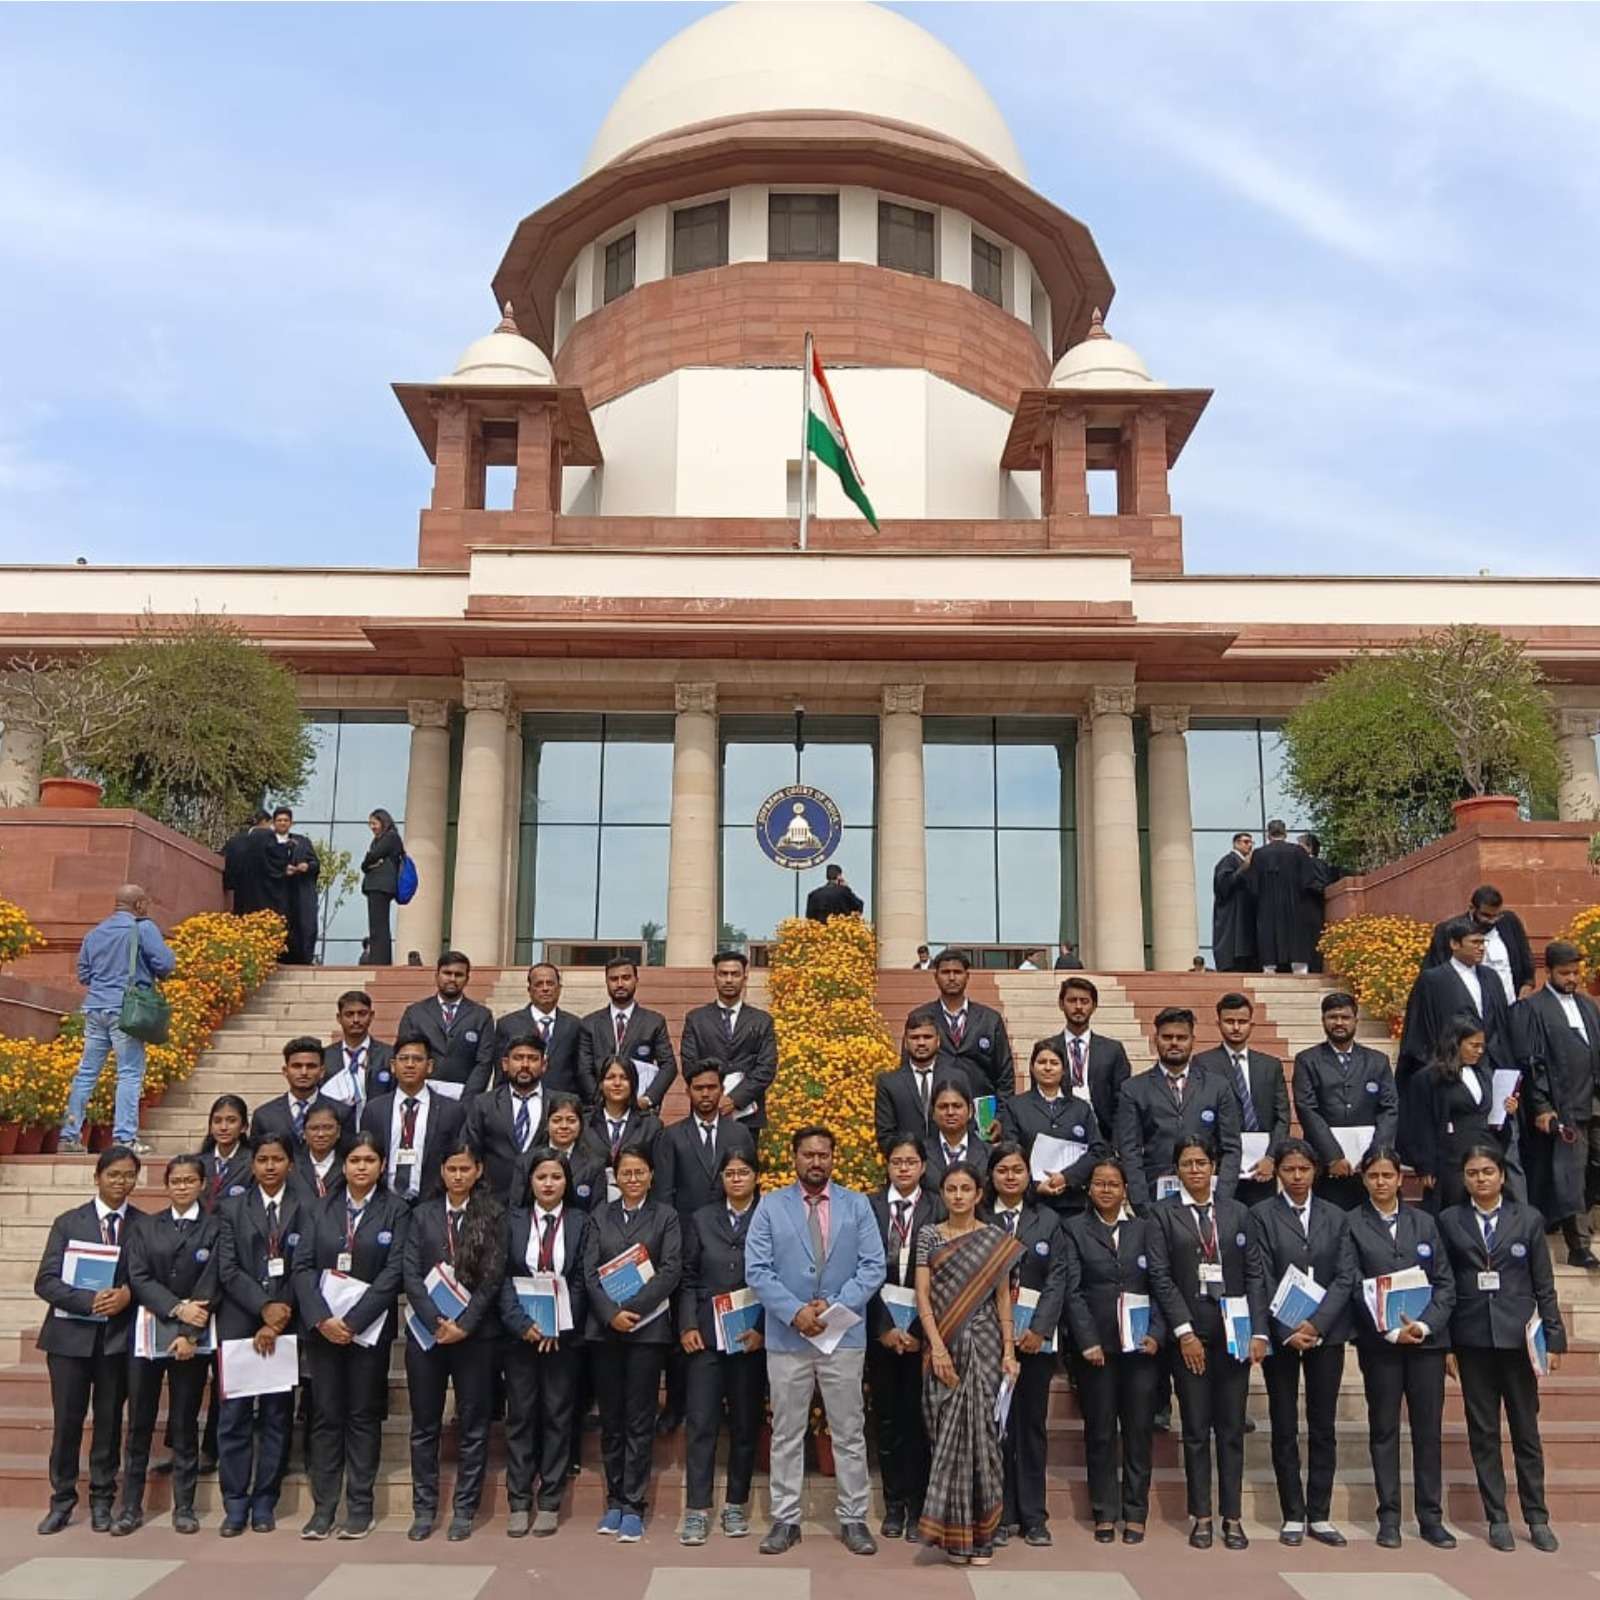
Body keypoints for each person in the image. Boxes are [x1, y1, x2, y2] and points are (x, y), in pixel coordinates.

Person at [745, 1125, 885, 1557]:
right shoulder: (770, 1206)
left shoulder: (857, 1205)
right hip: (788, 1338)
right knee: (787, 1432)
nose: (816, 1162)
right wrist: (795, 1312)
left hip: (842, 1336)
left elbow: (873, 1266)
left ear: (833, 1158)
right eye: (808, 1154)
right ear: (794, 1158)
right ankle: (785, 1519)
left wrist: (834, 1306)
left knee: (849, 1431)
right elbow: (757, 1269)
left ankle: (854, 1518)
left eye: (823, 1154)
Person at [1439, 1143, 1565, 1553]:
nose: (1481, 1179)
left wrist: (1554, 1337)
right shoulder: (1450, 1221)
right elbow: (1444, 1284)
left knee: (1526, 1431)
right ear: (1464, 1179)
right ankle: (1497, 1517)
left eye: (1487, 1171)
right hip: (1472, 1338)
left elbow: (1544, 1283)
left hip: (1518, 1339)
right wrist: (1446, 1344)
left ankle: (1537, 1517)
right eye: (1473, 1173)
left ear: (1502, 1175)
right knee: (1484, 1432)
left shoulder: (1527, 1219)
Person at [1146, 1134, 1269, 1551]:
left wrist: (1258, 1331)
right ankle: (1201, 1516)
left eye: (1201, 1163)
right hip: (1190, 1334)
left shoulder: (1237, 1213)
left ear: (1213, 1167)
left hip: (1233, 1334)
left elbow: (1254, 1273)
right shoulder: (1162, 1214)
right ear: (1176, 1169)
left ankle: (1232, 1517)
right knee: (1197, 1429)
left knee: (1231, 1429)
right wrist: (1183, 1332)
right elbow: (1160, 1277)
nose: (1195, 1170)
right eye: (1187, 1163)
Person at [291, 1130, 410, 1541]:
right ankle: (323, 1509)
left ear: (382, 1166)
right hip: (324, 1331)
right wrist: (323, 1319)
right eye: (355, 1160)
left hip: (368, 1332)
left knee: (362, 1416)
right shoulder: (318, 1208)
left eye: (369, 1160)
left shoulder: (396, 1210)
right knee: (326, 1417)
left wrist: (355, 1321)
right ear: (344, 1165)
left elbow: (395, 1270)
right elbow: (302, 1267)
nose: (362, 1167)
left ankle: (360, 1507)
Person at [1340, 1145, 1457, 1550]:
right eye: (1373, 1176)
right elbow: (1353, 1283)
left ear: (1400, 1179)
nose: (1381, 1182)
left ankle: (1430, 1517)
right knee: (1384, 1429)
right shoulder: (1351, 1223)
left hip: (1426, 1343)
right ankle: (1388, 1516)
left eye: (1388, 1175)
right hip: (1381, 1344)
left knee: (1427, 1431)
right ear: (1364, 1179)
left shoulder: (1425, 1223)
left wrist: (1423, 1326)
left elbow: (1445, 1283)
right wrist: (1389, 1330)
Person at [913, 1159, 1021, 1565]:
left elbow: (1002, 1300)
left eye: (965, 1189)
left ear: (978, 1195)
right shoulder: (929, 1235)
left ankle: (984, 1536)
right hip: (942, 1344)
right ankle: (955, 1538)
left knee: (985, 1440)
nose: (958, 1196)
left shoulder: (994, 1239)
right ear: (943, 1194)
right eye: (951, 1189)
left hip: (987, 1345)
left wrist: (1009, 1351)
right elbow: (923, 1295)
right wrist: (937, 1347)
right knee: (946, 1437)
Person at [1250, 1138, 1355, 1547]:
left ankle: (1320, 1514)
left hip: (1325, 1333)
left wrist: (1316, 1324)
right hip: (1282, 1334)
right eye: (1289, 1169)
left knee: (1322, 1424)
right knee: (1284, 1424)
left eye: (1304, 1169)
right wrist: (1287, 1327)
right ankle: (1293, 1513)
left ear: (1316, 1171)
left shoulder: (1336, 1216)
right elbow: (1260, 1275)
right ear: (1277, 1172)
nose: (1296, 1177)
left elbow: (1345, 1275)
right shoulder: (1262, 1215)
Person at [34, 1145, 142, 1535]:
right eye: (113, 1174)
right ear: (97, 1177)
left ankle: (102, 1500)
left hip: (116, 1341)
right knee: (67, 1422)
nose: (120, 1182)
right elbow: (45, 1281)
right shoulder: (68, 1223)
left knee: (109, 1422)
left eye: (128, 1175)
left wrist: (128, 1295)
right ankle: (62, 1500)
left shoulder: (144, 1225)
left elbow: (151, 1278)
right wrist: (88, 1301)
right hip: (69, 1341)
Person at [402, 1140, 505, 1542]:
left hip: (474, 1336)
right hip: (427, 1334)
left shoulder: (493, 1213)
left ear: (478, 1171)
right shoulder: (422, 1214)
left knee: (473, 1425)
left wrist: (464, 1324)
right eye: (452, 1169)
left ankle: (464, 1509)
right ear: (442, 1171)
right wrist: (435, 1320)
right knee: (424, 1425)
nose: (458, 1176)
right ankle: (424, 1509)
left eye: (465, 1169)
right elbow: (411, 1273)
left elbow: (493, 1276)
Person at [1062, 1158, 1164, 1546]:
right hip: (1097, 1349)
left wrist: (1157, 1333)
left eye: (1113, 1184)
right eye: (1099, 1183)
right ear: (1089, 1189)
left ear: (1125, 1190)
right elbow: (1072, 1290)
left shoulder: (1145, 1228)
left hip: (1141, 1349)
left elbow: (1161, 1283)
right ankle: (1104, 1511)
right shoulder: (1074, 1229)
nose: (1106, 1190)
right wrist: (1087, 1340)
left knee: (1138, 1431)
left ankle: (1136, 1513)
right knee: (1101, 1431)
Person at [582, 1144, 681, 1542]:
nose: (633, 1178)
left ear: (651, 1176)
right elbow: (589, 1272)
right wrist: (611, 1314)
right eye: (626, 1172)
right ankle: (614, 1500)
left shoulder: (666, 1216)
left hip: (647, 1331)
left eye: (640, 1172)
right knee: (612, 1420)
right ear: (615, 1177)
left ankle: (634, 1505)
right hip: (605, 1330)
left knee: (639, 1420)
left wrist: (633, 1309)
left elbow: (670, 1269)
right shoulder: (599, 1216)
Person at [116, 1153, 218, 1537]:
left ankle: (185, 1506)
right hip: (150, 1331)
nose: (182, 1187)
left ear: (202, 1184)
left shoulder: (215, 1227)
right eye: (175, 1181)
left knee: (184, 1421)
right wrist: (176, 1308)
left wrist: (189, 1332)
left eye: (189, 1181)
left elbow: (214, 1278)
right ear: (166, 1185)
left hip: (192, 1336)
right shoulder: (146, 1227)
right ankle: (130, 1507)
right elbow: (139, 1276)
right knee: (139, 1421)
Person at [655, 1060, 758, 1433]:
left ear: (721, 1090)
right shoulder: (672, 1136)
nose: (706, 1094)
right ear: (688, 1091)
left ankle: (728, 1403)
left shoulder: (739, 1134)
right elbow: (665, 1194)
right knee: (684, 1327)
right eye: (699, 1088)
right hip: (687, 1240)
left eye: (712, 1087)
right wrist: (671, 1243)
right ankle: (676, 1404)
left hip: (732, 1240)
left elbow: (749, 1183)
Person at [499, 1145, 590, 1538]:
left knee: (557, 1414)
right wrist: (522, 1324)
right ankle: (519, 1500)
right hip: (520, 1336)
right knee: (520, 1416)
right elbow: (501, 1276)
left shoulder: (581, 1222)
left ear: (566, 1181)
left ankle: (550, 1499)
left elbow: (582, 1280)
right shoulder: (512, 1220)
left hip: (562, 1337)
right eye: (541, 1177)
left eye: (556, 1176)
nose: (548, 1184)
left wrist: (558, 1324)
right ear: (530, 1182)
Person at [216, 1133, 303, 1535]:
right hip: (239, 1320)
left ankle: (265, 1501)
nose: (270, 1166)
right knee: (233, 1417)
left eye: (277, 1159)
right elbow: (228, 1268)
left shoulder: (306, 1206)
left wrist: (278, 1316)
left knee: (276, 1416)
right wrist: (262, 1307)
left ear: (290, 1164)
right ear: (252, 1165)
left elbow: (305, 1265)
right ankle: (235, 1503)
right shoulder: (231, 1208)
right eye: (263, 1159)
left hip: (286, 1320)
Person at [677, 1148, 765, 1545]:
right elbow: (688, 1276)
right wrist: (688, 1324)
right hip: (707, 1338)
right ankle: (697, 1510)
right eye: (730, 1173)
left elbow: (778, 1277)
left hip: (750, 1339)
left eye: (743, 1172)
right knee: (701, 1423)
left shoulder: (769, 1216)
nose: (736, 1179)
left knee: (745, 1424)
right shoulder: (701, 1218)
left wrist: (763, 1329)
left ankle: (735, 1505)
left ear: (756, 1176)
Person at [986, 1142, 1066, 1548]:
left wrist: (1039, 1329)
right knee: (996, 1427)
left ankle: (1034, 1516)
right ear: (991, 1175)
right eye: (1002, 1170)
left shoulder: (1048, 1220)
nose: (1010, 1177)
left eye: (1017, 1169)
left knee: (1031, 1428)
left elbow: (1058, 1278)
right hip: (988, 1342)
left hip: (1035, 1343)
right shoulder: (979, 1218)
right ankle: (999, 1514)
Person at [58, 884, 176, 1156]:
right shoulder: (143, 928)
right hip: (126, 1010)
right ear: (139, 905)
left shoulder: (95, 933)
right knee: (129, 1073)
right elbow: (165, 964)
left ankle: (69, 1136)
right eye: (146, 904)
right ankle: (125, 1138)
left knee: (86, 1074)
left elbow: (84, 975)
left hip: (95, 1007)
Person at [867, 1134, 938, 1543]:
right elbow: (858, 1269)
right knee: (888, 1418)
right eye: (897, 1162)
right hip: (881, 1331)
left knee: (920, 1420)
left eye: (911, 1162)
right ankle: (894, 1504)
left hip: (924, 1333)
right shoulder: (869, 1207)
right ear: (887, 1165)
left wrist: (917, 1331)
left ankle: (919, 1505)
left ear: (923, 1167)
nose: (904, 1168)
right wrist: (883, 1328)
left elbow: (947, 1275)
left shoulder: (938, 1207)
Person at [1513, 940, 1600, 1266]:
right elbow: (1531, 1063)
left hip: (1593, 1101)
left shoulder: (1588, 1005)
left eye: (1576, 972)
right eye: (1565, 973)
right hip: (1563, 1105)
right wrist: (1541, 1106)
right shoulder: (1533, 1009)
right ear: (1547, 971)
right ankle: (1579, 1246)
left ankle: (1567, 1217)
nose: (1572, 979)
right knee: (1571, 1175)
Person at [1114, 1007, 1242, 1213]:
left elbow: (1231, 1148)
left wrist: (1222, 1197)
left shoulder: (1218, 1087)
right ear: (1155, 1039)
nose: (1174, 1043)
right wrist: (1141, 1203)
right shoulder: (1133, 1089)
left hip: (1208, 1197)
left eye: (1181, 1038)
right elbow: (1129, 1151)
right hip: (1155, 1199)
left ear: (1193, 1040)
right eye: (1167, 1037)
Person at [1292, 992, 1400, 1209]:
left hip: (1370, 1166)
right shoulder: (1307, 1060)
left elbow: (1389, 1109)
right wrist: (1333, 1156)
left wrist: (1376, 1155)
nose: (1339, 1023)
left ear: (1355, 1020)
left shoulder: (1377, 1061)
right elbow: (1307, 1109)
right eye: (1333, 1017)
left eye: (1345, 1017)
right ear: (1323, 1020)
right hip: (1327, 1166)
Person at [1410, 1017, 1518, 1212]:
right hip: (1451, 1159)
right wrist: (1425, 1165)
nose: (1480, 1051)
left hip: (1487, 1150)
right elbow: (1421, 1123)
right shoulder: (1429, 1078)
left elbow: (1492, 1115)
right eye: (1473, 1045)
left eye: (1482, 1046)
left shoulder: (1484, 1074)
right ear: (1456, 1043)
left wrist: (1507, 1111)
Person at [1194, 992, 1289, 1207]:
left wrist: (1272, 1158)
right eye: (1229, 1021)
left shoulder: (1270, 1065)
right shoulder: (1203, 1063)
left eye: (1242, 1022)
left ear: (1251, 1024)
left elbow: (1282, 1117)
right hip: (1223, 1165)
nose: (1236, 1027)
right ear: (1219, 1024)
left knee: (1262, 1218)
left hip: (1263, 1166)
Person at [1398, 915, 1515, 1088]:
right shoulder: (1433, 980)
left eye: (1483, 942)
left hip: (1489, 1067)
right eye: (1474, 942)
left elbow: (1500, 1024)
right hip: (1449, 1070)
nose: (1481, 948)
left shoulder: (1491, 977)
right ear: (1454, 944)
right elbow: (1421, 1031)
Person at [997, 1039, 1106, 1217]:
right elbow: (1010, 1153)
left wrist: (1067, 1177)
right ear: (1032, 1068)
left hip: (1074, 1203)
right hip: (1032, 1202)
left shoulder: (1081, 1108)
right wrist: (1035, 1185)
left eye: (1054, 1063)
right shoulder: (1016, 1106)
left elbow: (1098, 1150)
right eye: (1042, 1062)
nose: (1047, 1068)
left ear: (1063, 1070)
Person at [360, 1034, 468, 1206]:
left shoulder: (451, 1111)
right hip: (383, 1204)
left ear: (430, 1066)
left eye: (417, 1059)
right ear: (393, 1066)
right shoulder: (374, 1110)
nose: (410, 1064)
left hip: (432, 1204)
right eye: (403, 1059)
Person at [679, 949, 779, 1131]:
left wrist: (734, 1099)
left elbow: (766, 1068)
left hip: (747, 1115)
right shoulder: (696, 1019)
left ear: (745, 978)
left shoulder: (762, 1021)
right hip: (705, 1111)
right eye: (723, 974)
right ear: (714, 977)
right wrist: (714, 1096)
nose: (729, 980)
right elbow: (690, 1064)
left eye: (735, 974)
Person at [577, 958, 678, 1111]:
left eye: (626, 978)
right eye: (614, 979)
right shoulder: (589, 1024)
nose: (620, 984)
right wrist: (601, 1102)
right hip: (599, 1110)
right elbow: (584, 1068)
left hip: (641, 1110)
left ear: (636, 980)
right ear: (606, 982)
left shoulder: (654, 1022)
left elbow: (669, 1066)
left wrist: (648, 1099)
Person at [1041, 975, 1131, 1142]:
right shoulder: (1045, 1050)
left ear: (1094, 1006)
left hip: (1103, 1134)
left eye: (1084, 1001)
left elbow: (1123, 1101)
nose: (1078, 1007)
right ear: (1061, 1004)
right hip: (1058, 1133)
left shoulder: (1112, 1050)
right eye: (1072, 1000)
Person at [465, 1033, 552, 1202]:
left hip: (542, 1202)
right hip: (493, 1201)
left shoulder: (557, 1104)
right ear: (505, 1064)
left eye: (532, 1058)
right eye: (518, 1058)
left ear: (544, 1065)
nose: (525, 1065)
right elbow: (471, 1151)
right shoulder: (484, 1104)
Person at [396, 951, 497, 1097]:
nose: (452, 979)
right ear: (437, 975)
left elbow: (484, 1062)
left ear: (467, 979)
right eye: (447, 973)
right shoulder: (415, 1013)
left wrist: (468, 1097)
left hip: (463, 1095)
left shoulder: (481, 1015)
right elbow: (405, 1054)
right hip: (422, 1093)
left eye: (458, 975)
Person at [874, 1007, 968, 1153]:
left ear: (938, 1041)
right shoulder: (889, 1083)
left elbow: (967, 1124)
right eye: (915, 1038)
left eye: (927, 1037)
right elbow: (885, 1135)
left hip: (950, 1160)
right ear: (906, 1042)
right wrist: (910, 1159)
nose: (921, 1043)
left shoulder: (957, 1077)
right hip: (906, 1162)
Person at [1426, 884, 1535, 1004]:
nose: (1492, 921)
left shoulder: (1509, 922)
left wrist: (1528, 983)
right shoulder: (1448, 930)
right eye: (1486, 916)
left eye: (1496, 916)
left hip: (1510, 1004)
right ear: (1472, 908)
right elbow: (1434, 972)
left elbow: (1525, 954)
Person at [929, 949, 1015, 1101]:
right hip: (936, 1108)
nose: (951, 977)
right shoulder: (922, 1018)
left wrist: (1002, 1112)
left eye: (957, 972)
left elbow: (1005, 1074)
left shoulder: (990, 1019)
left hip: (983, 1109)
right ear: (935, 977)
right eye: (945, 972)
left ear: (967, 976)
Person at [495, 961, 583, 1097]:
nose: (545, 988)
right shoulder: (508, 1024)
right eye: (539, 984)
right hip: (520, 1100)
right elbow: (501, 1073)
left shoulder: (575, 1025)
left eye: (550, 983)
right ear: (529, 990)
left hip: (562, 1103)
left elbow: (580, 1070)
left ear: (559, 988)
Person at [251, 1035, 349, 1150]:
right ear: (285, 1071)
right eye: (297, 1066)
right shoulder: (264, 1115)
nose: (304, 1072)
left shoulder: (342, 1112)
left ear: (322, 1071)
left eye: (311, 1066)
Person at [516, 1091, 609, 1211]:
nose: (564, 1126)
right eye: (557, 1120)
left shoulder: (594, 1164)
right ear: (547, 1124)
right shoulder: (526, 1161)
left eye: (571, 1120)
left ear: (581, 1125)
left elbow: (598, 1211)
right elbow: (516, 1209)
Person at [1251, 820, 1322, 973]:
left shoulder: (1259, 854)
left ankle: (1269, 968)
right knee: (1296, 933)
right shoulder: (1298, 851)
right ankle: (1300, 968)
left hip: (1267, 904)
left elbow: (1253, 884)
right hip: (1294, 902)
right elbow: (1308, 880)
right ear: (1285, 833)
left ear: (1268, 834)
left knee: (1269, 934)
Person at [319, 990, 394, 1116]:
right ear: (339, 1018)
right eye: (349, 1014)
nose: (356, 1020)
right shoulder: (325, 1056)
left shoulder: (388, 1055)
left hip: (377, 1122)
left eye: (362, 1014)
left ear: (372, 1015)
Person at [264, 806, 320, 965]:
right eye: (279, 820)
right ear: (273, 823)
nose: (283, 823)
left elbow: (315, 863)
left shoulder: (302, 841)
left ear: (291, 823)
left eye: (286, 820)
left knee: (303, 925)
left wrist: (306, 866)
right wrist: (282, 870)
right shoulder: (267, 842)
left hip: (299, 891)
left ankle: (303, 959)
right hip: (276, 892)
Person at [589, 1056, 663, 1175]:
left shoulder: (651, 1125)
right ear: (601, 1084)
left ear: (633, 1084)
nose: (617, 1083)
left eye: (624, 1078)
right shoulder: (586, 1123)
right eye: (610, 1077)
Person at [923, 1078, 993, 1194]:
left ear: (970, 1111)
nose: (950, 1112)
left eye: (957, 1106)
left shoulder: (988, 1153)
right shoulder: (922, 1154)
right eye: (943, 1107)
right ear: (933, 1113)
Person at [359, 808, 404, 966]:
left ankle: (380, 961)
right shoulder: (380, 839)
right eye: (370, 824)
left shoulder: (390, 837)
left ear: (383, 822)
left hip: (381, 886)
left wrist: (368, 863)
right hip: (376, 886)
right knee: (377, 925)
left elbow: (372, 857)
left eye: (374, 823)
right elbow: (368, 863)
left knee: (379, 926)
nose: (372, 827)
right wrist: (368, 864)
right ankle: (379, 959)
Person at [1211, 832, 1258, 973]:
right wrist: (1242, 869)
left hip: (1246, 915)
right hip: (1232, 915)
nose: (1249, 845)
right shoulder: (1228, 861)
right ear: (1236, 843)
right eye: (1246, 842)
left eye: (1251, 843)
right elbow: (1222, 885)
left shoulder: (1249, 864)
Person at [199, 1094, 253, 1212]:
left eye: (231, 1121)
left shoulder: (252, 1163)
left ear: (244, 1127)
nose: (223, 1127)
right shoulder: (198, 1162)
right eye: (217, 1121)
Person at [290, 1105, 346, 1204]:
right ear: (304, 1133)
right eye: (314, 1128)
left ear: (338, 1131)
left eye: (327, 1128)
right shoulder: (292, 1167)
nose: (321, 1134)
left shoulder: (348, 1164)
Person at [222, 812, 273, 916]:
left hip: (239, 893)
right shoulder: (271, 839)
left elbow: (225, 859)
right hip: (264, 893)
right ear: (265, 822)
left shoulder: (235, 840)